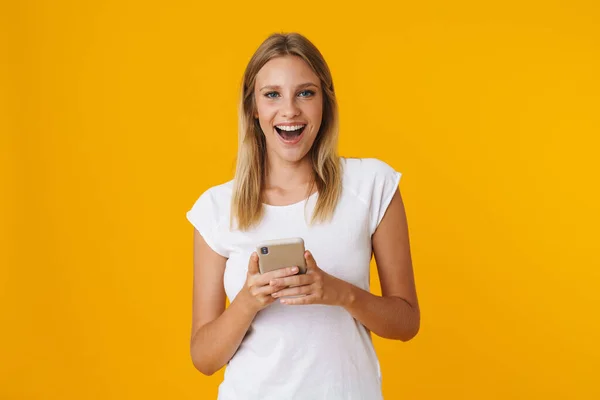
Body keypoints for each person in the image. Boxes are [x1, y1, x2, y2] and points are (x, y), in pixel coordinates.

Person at [186, 32, 420, 400]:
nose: (290, 110)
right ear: (253, 108)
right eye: (272, 94)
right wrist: (248, 301)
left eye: (306, 93)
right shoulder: (216, 208)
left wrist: (338, 292)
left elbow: (406, 322)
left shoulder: (372, 185)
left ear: (324, 102)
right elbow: (204, 357)